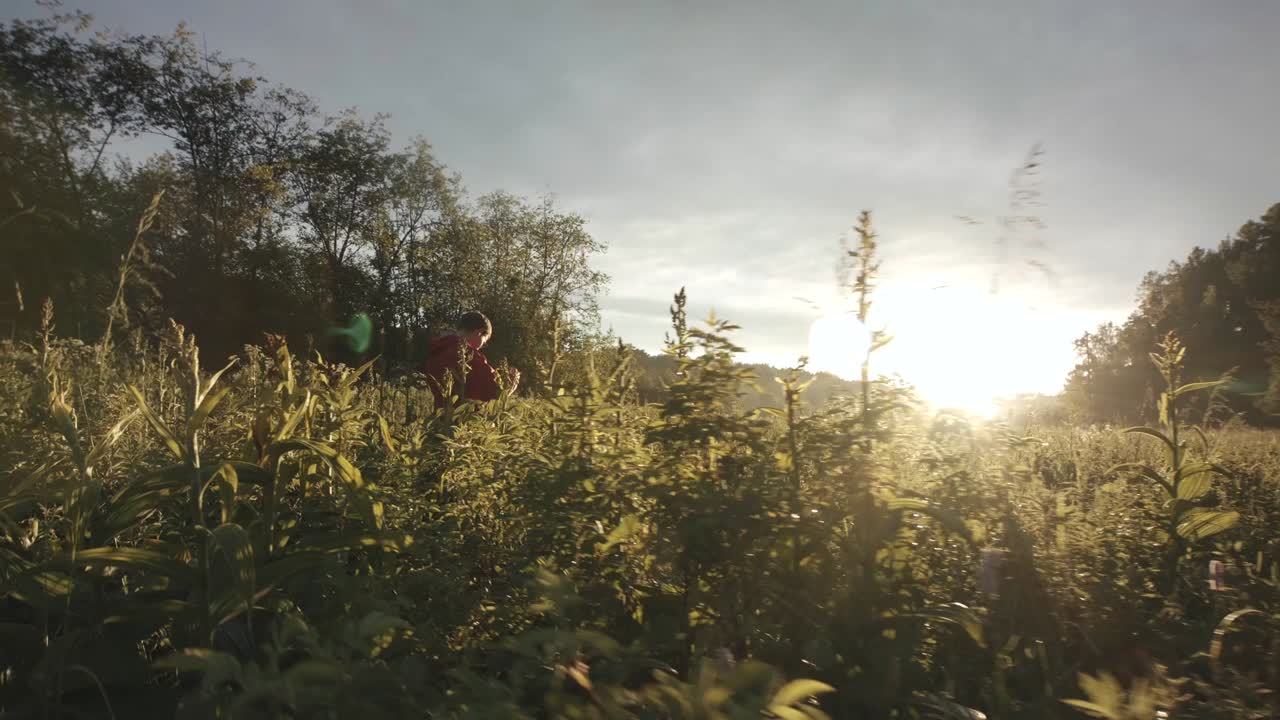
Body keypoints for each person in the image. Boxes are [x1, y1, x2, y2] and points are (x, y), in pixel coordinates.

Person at [424, 310, 519, 408]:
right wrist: (512, 380)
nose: (482, 346)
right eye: (484, 341)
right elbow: (495, 393)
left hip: (440, 419)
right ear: (479, 332)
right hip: (463, 420)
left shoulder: (437, 351)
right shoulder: (470, 356)